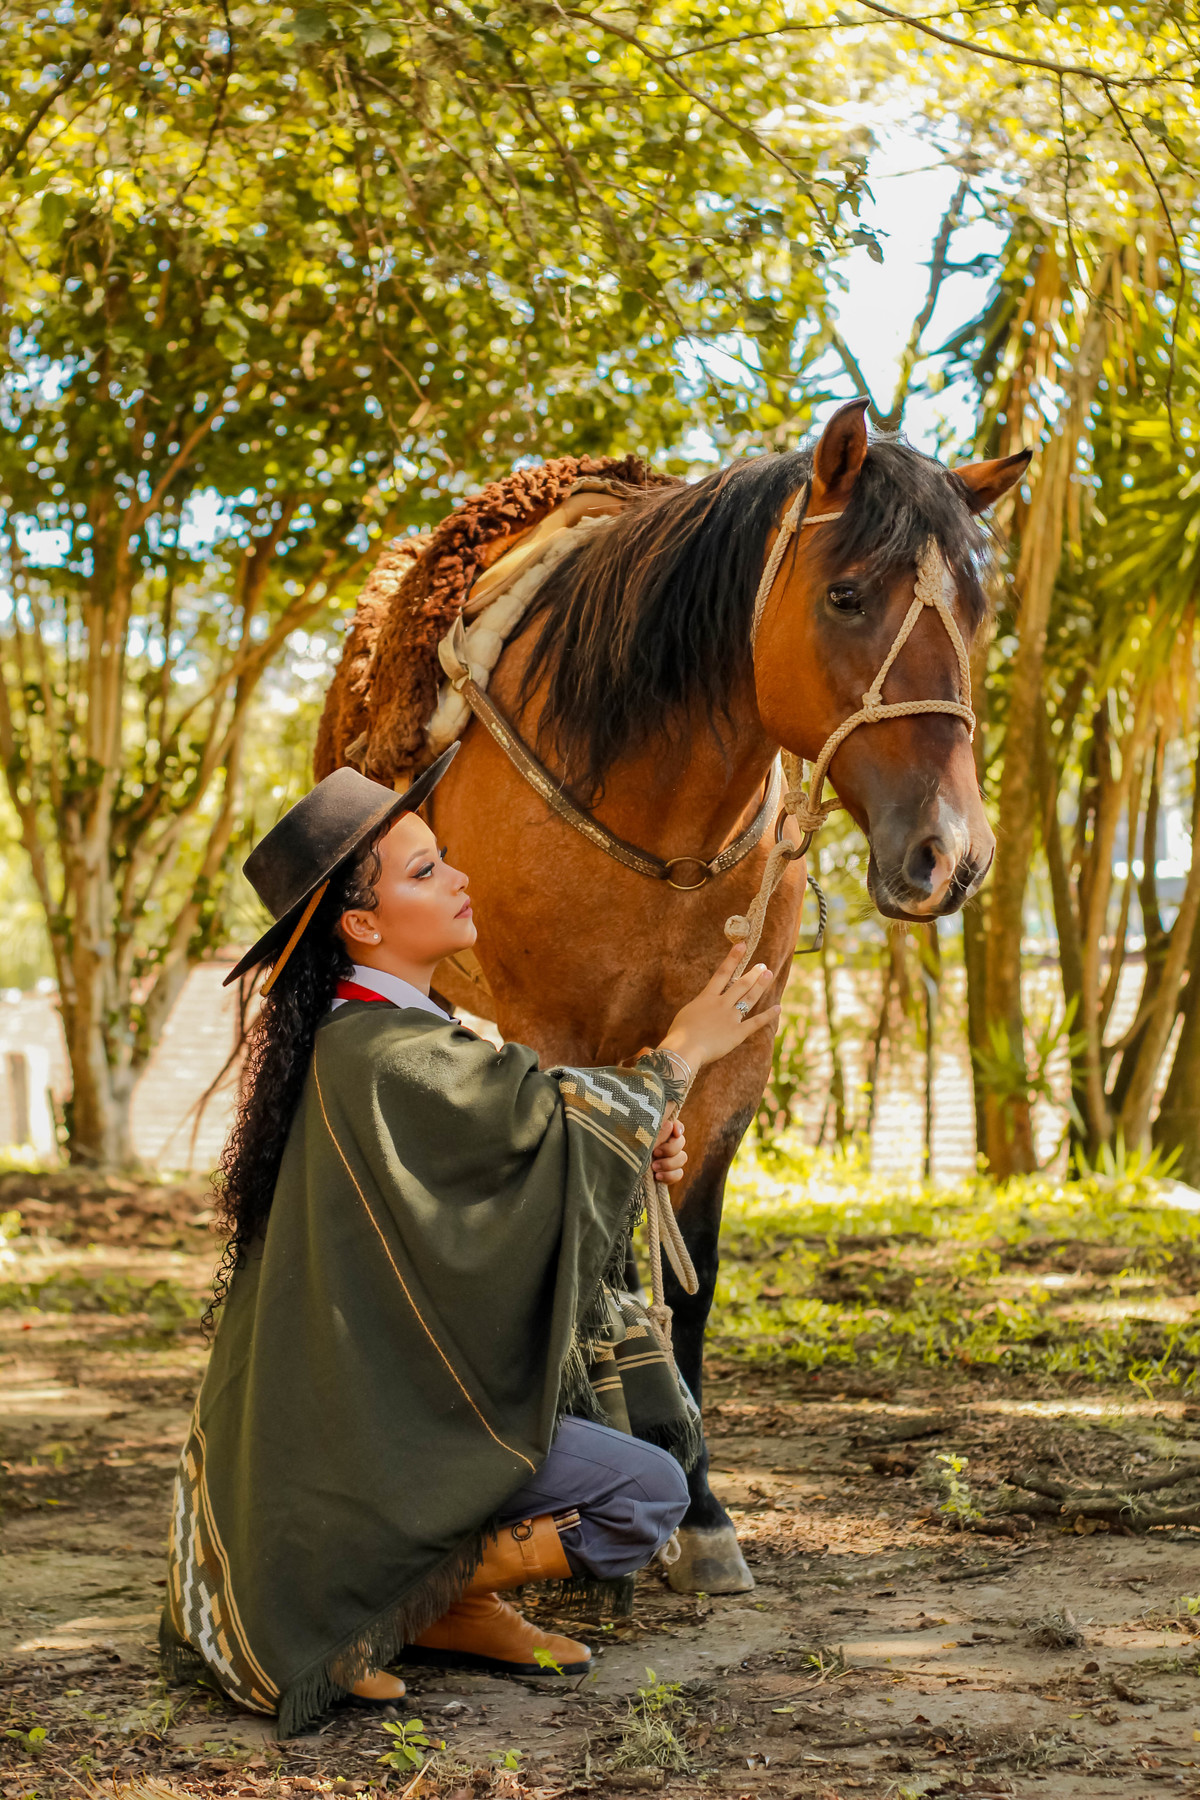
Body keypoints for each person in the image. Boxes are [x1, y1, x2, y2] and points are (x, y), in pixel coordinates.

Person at [160, 744, 778, 1735]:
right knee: (646, 1496)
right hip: (384, 1437)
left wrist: (625, 1148)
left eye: (442, 855)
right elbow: (530, 1125)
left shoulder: (375, 1038)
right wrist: (681, 1054)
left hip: (405, 1409)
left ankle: (445, 1597)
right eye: (424, 871)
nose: (458, 877)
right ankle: (387, 1598)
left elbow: (513, 1152)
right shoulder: (379, 1052)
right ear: (364, 925)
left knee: (640, 1481)